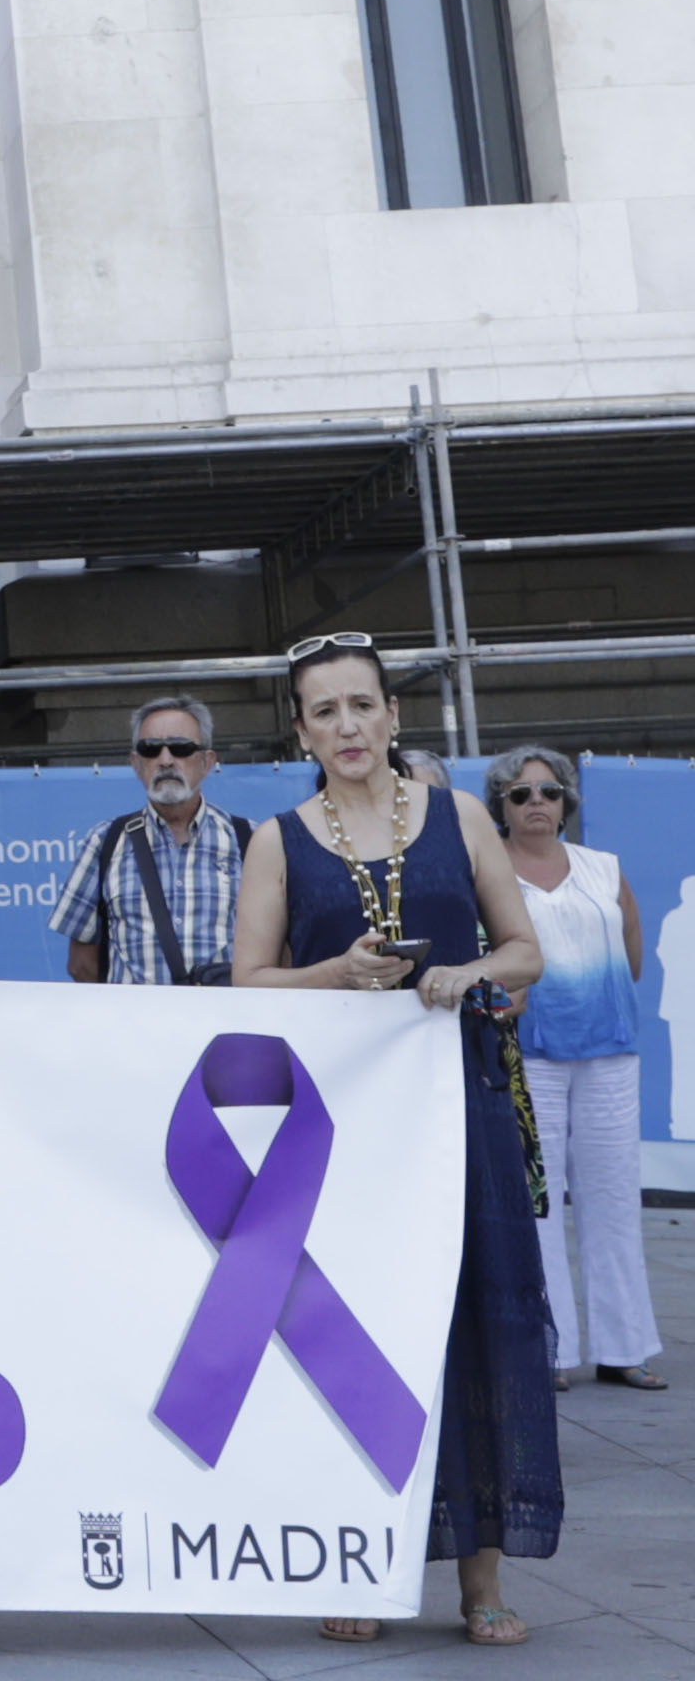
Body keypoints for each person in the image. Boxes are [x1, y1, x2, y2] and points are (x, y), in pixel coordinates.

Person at [232, 635, 556, 1649]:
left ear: (393, 716)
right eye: (325, 711)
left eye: (362, 705)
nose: (348, 726)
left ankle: (481, 1576)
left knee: (480, 1324)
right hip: (345, 1126)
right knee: (354, 1337)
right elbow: (248, 983)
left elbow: (525, 950)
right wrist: (336, 973)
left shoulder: (460, 817)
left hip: (463, 1107)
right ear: (301, 732)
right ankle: (358, 1557)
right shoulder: (279, 841)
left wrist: (468, 973)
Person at [489, 746, 663, 1394]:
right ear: (502, 805)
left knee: (613, 1201)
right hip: (527, 1057)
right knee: (537, 1206)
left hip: (609, 1054)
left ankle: (625, 1349)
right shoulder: (488, 872)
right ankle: (551, 1350)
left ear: (567, 802)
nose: (537, 802)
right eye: (521, 793)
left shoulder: (603, 868)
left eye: (549, 791)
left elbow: (632, 954)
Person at [51, 696, 251, 985]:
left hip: (226, 1014)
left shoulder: (250, 840)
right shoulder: (104, 842)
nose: (165, 760)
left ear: (207, 762)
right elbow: (81, 965)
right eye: (150, 749)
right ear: (136, 763)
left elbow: (278, 952)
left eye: (181, 748)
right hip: (133, 1016)